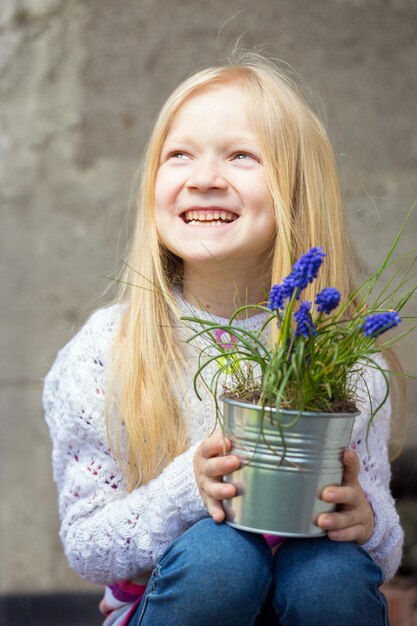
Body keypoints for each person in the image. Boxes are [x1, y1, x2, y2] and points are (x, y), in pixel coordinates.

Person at [43, 54, 403, 626]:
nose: (204, 177)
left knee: (331, 574)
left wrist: (369, 521)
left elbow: (380, 552)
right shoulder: (106, 351)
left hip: (303, 598)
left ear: (296, 191)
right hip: (171, 600)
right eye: (178, 154)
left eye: (241, 156)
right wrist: (185, 492)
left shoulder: (348, 360)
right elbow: (88, 545)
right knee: (222, 557)